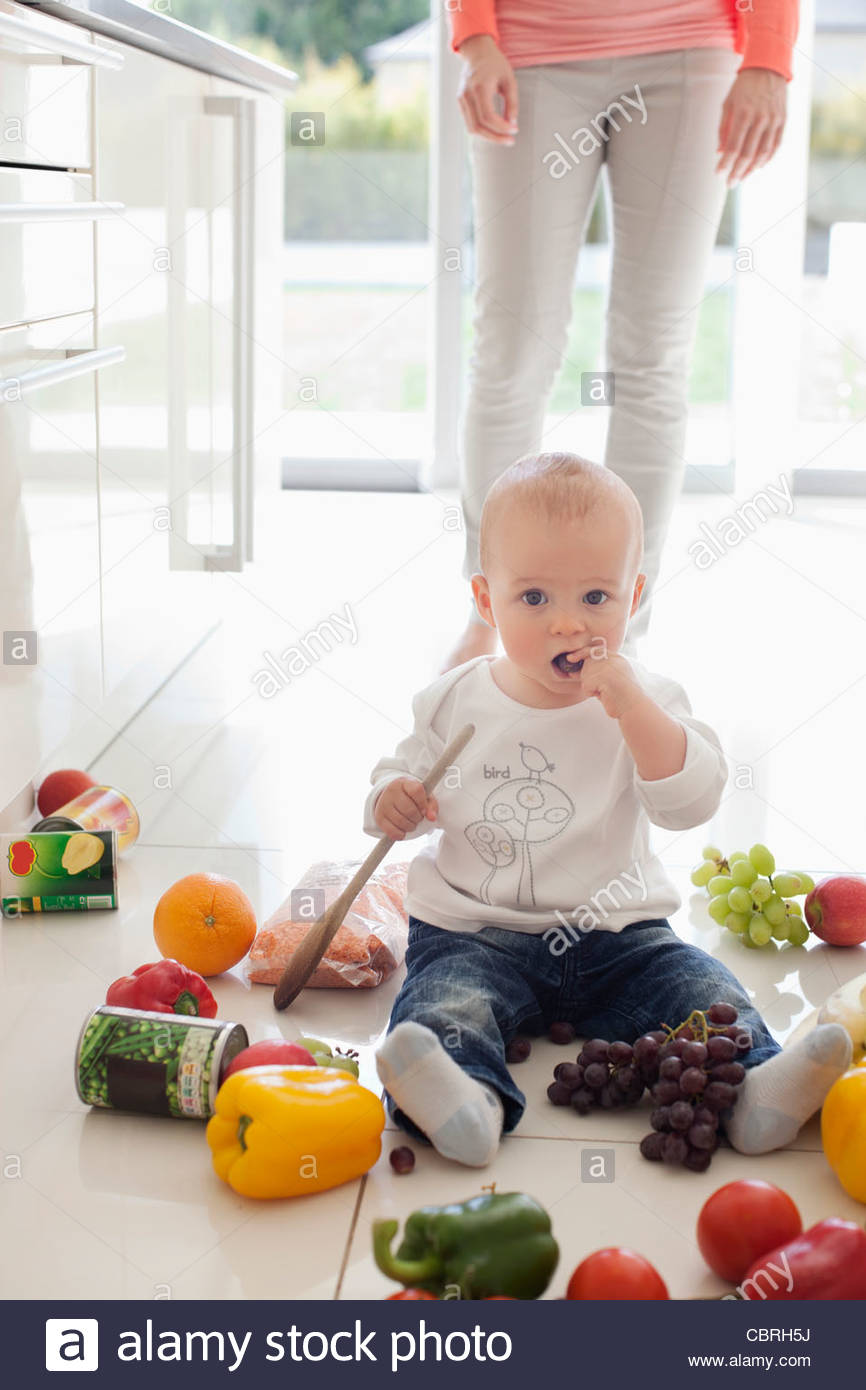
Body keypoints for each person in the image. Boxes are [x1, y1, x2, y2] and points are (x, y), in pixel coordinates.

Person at [364, 452, 850, 1167]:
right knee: (449, 1003)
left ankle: (752, 1093)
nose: (568, 624)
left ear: (635, 596)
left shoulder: (647, 697)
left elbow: (691, 802)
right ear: (486, 599)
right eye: (534, 599)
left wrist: (635, 713)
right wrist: (392, 801)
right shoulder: (454, 698)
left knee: (698, 989)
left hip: (620, 934)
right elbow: (396, 775)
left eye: (596, 598)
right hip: (478, 930)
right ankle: (467, 1101)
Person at [441, 0, 797, 671]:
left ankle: (620, 636)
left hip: (688, 46)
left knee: (654, 359)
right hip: (529, 48)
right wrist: (476, 36)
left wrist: (770, 58)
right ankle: (488, 613)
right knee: (512, 351)